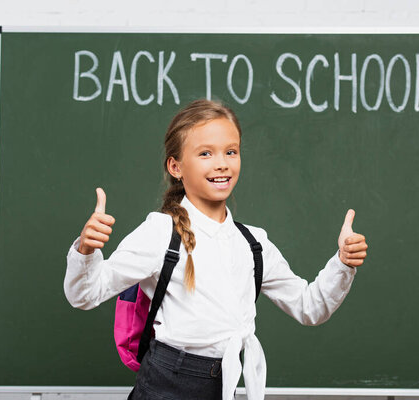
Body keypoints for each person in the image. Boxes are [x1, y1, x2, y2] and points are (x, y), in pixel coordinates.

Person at [63, 99, 368, 400]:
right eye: (205, 153)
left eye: (231, 152)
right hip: (167, 387)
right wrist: (87, 250)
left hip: (224, 385)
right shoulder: (159, 232)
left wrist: (342, 263)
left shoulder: (254, 244)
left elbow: (309, 307)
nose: (222, 163)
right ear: (176, 166)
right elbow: (86, 295)